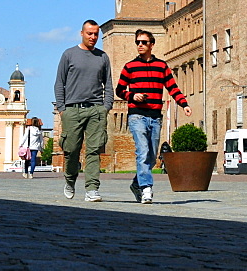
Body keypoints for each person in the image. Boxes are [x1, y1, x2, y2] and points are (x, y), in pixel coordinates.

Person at [115, 29, 191, 204]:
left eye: (143, 42)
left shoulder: (162, 66)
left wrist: (184, 104)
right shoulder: (129, 67)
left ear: (151, 44)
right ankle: (146, 189)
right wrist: (132, 96)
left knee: (151, 156)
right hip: (136, 115)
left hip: (156, 116)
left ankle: (136, 183)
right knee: (142, 151)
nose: (140, 45)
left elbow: (173, 88)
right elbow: (120, 90)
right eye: (137, 42)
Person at [54, 19, 113, 202]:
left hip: (96, 109)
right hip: (72, 110)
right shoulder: (69, 54)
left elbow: (109, 85)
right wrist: (62, 109)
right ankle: (70, 180)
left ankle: (92, 189)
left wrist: (106, 107)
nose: (93, 37)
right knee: (71, 150)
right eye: (89, 33)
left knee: (94, 150)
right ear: (82, 33)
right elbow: (59, 83)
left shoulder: (102, 57)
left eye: (96, 34)